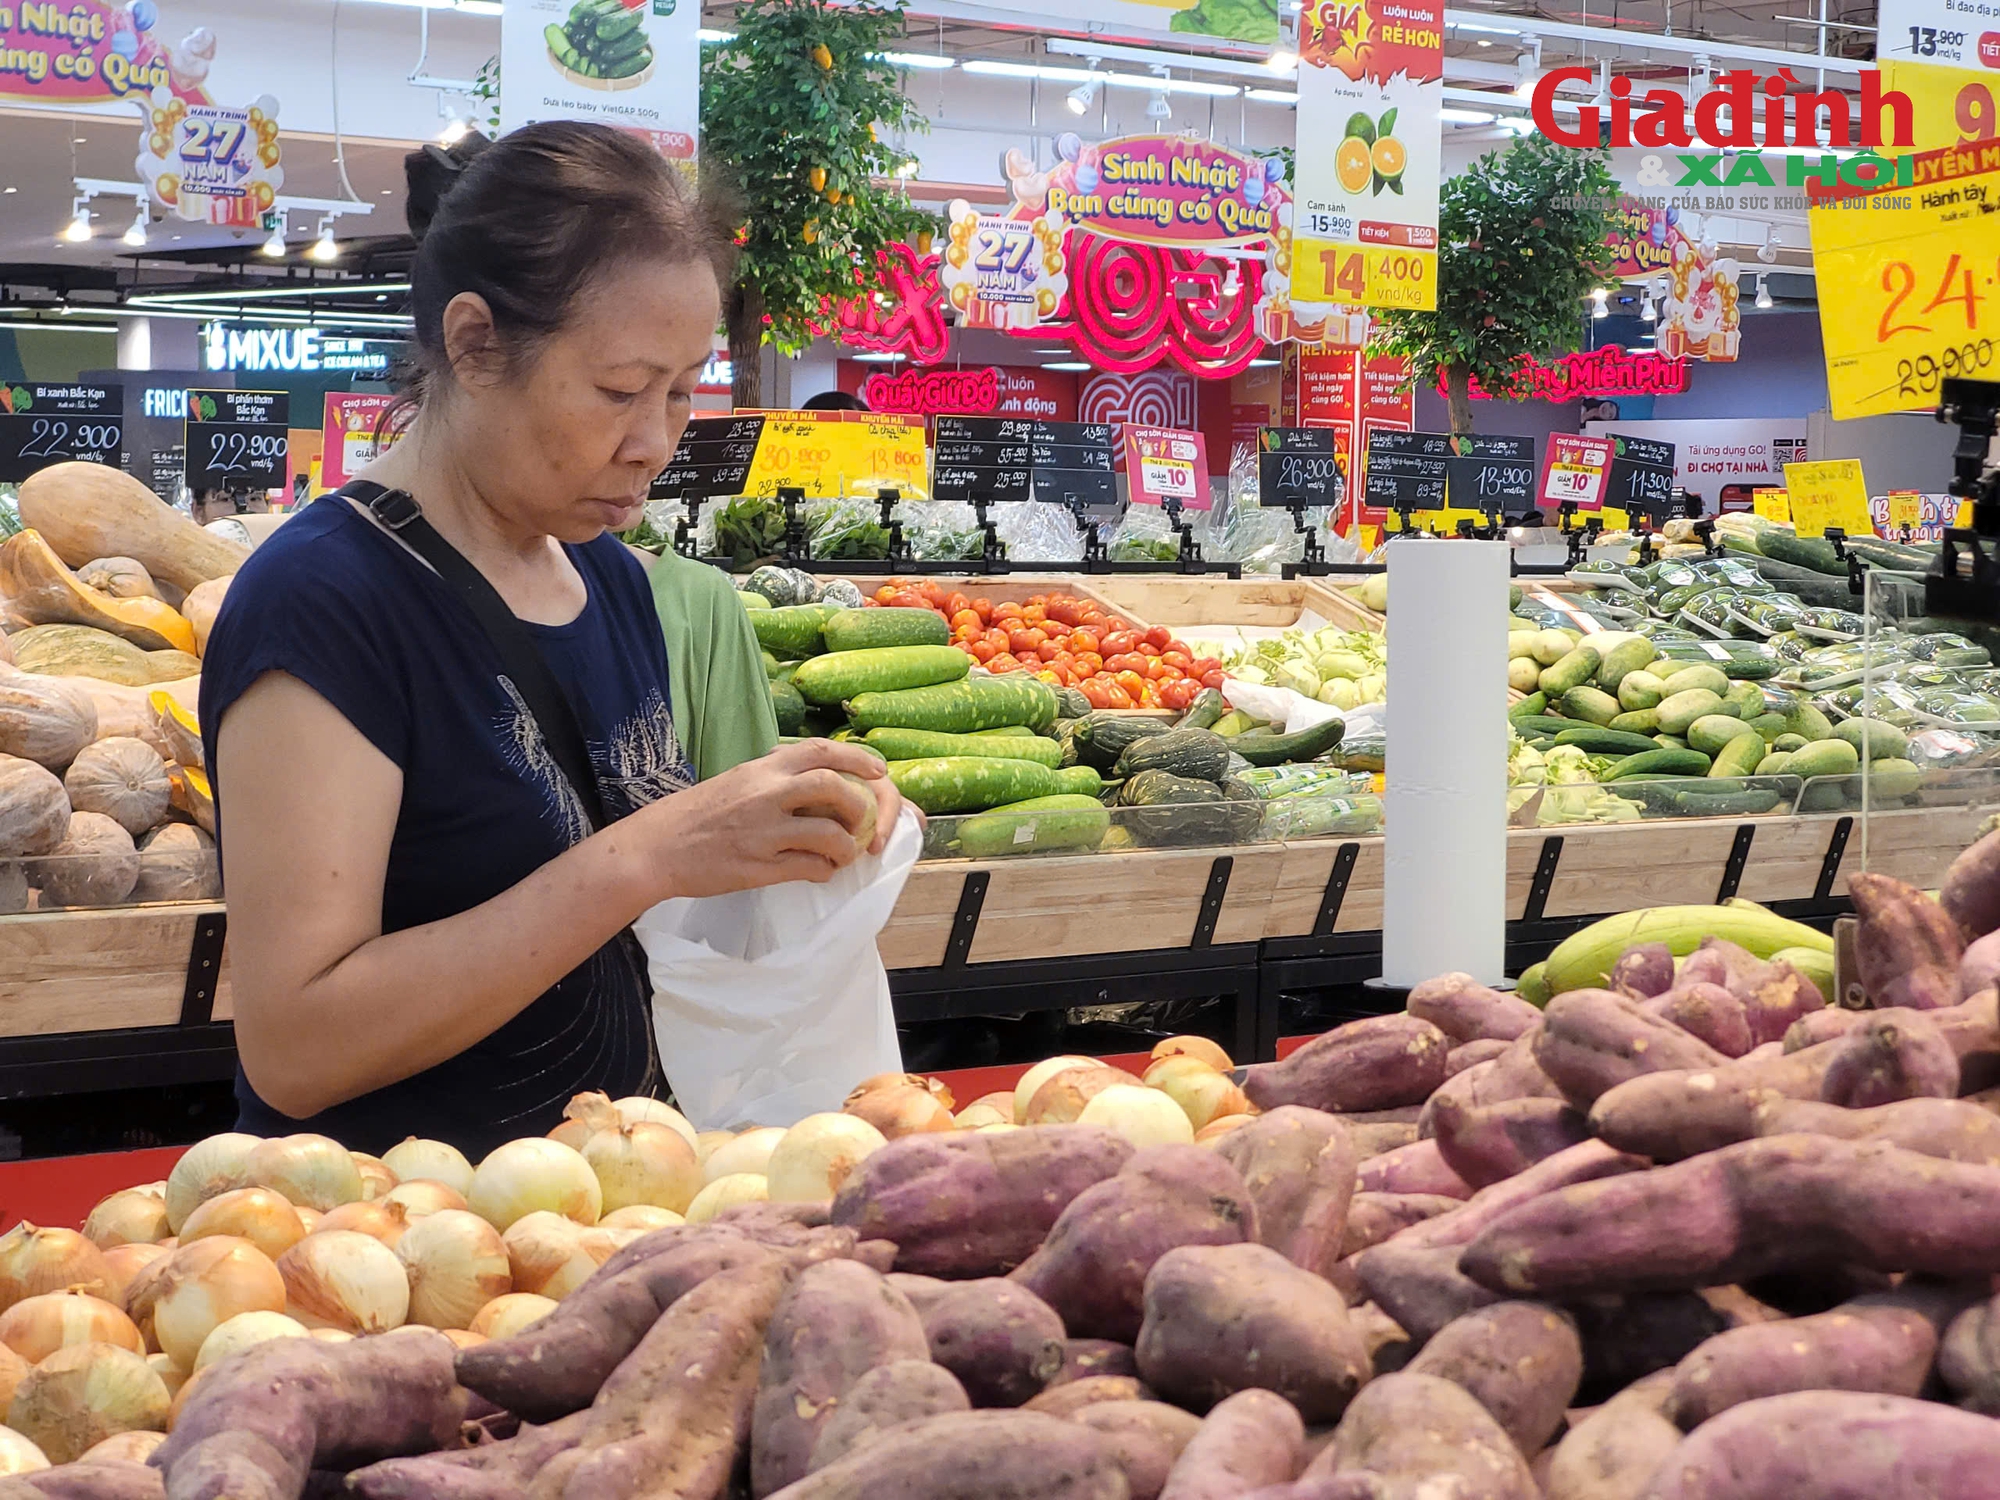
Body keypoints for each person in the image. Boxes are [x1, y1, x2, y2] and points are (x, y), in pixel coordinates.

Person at [198, 122, 901, 1156]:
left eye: (680, 389)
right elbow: (296, 1047)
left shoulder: (610, 580)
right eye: (619, 391)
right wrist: (648, 855)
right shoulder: (324, 599)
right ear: (476, 343)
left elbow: (619, 912)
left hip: (604, 1215)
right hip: (403, 1245)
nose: (655, 441)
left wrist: (794, 830)